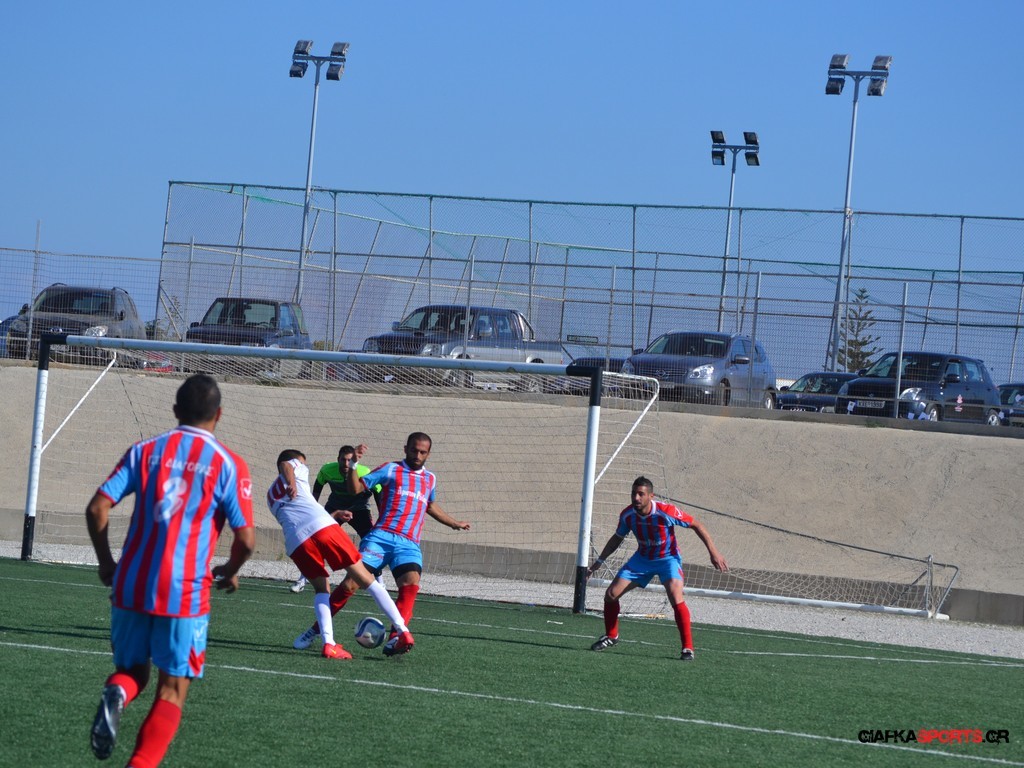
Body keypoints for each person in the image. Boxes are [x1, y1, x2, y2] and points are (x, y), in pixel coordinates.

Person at [85, 374, 256, 766]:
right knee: (172, 690)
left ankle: (118, 692)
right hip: (184, 590)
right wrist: (230, 569)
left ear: (176, 410)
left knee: (132, 672)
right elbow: (246, 541)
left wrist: (107, 563)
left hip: (131, 583)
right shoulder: (228, 463)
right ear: (219, 414)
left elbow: (97, 508)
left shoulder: (144, 451)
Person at [293, 432, 470, 655]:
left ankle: (396, 638)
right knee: (350, 584)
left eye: (422, 452)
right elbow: (355, 489)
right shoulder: (390, 469)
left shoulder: (430, 479)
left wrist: (453, 523)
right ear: (405, 449)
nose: (417, 455)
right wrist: (354, 465)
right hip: (381, 538)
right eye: (414, 450)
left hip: (408, 544)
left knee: (411, 584)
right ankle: (315, 631)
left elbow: (430, 505)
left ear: (428, 454)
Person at [268, 448, 414, 659]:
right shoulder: (294, 467)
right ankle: (402, 631)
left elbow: (298, 513)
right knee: (365, 577)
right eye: (302, 462)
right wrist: (291, 480)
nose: (304, 466)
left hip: (296, 541)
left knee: (322, 589)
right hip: (323, 527)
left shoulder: (270, 496)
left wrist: (334, 514)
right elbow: (286, 465)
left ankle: (329, 644)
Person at [586, 476, 728, 661]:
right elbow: (616, 539)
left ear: (651, 496)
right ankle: (612, 636)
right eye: (633, 494)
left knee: (675, 596)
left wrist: (714, 552)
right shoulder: (628, 515)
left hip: (668, 559)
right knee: (611, 594)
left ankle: (687, 648)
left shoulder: (666, 511)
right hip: (642, 559)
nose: (636, 498)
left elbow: (696, 525)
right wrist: (599, 561)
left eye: (641, 494)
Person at [288, 443, 380, 593]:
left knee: (372, 544)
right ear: (338, 459)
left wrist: (382, 516)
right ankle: (302, 580)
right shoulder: (327, 470)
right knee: (316, 541)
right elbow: (317, 489)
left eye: (349, 460)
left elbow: (378, 491)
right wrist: (311, 512)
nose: (346, 463)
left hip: (359, 510)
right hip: (335, 508)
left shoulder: (364, 472)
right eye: (343, 459)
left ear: (355, 461)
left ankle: (380, 583)